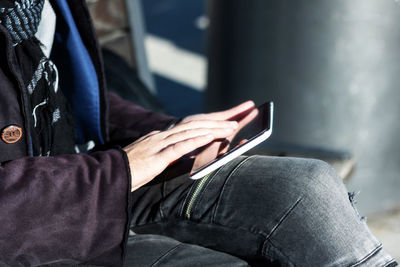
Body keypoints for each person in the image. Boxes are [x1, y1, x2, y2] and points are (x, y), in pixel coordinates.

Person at [0, 0, 396, 266]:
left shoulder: (32, 8)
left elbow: (64, 93)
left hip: (90, 177)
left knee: (306, 187)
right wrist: (121, 170)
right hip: (37, 223)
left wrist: (170, 137)